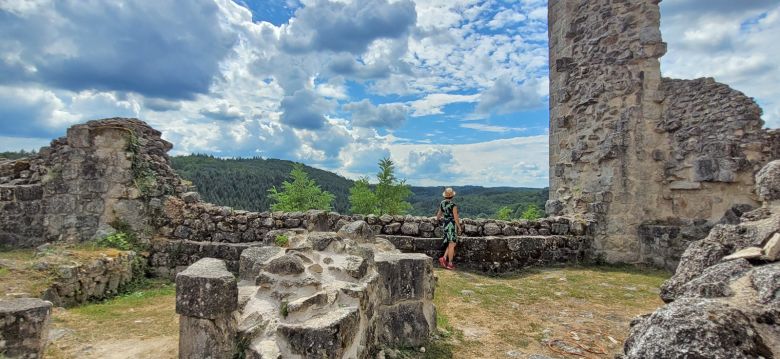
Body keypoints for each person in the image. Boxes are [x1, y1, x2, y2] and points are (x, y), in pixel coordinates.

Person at [436, 187, 462, 270]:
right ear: (452, 196)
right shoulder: (453, 205)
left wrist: (441, 220)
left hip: (446, 224)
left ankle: (443, 258)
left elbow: (438, 216)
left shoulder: (442, 203)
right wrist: (459, 227)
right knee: (452, 243)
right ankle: (450, 263)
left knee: (451, 244)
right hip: (451, 225)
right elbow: (456, 217)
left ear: (445, 196)